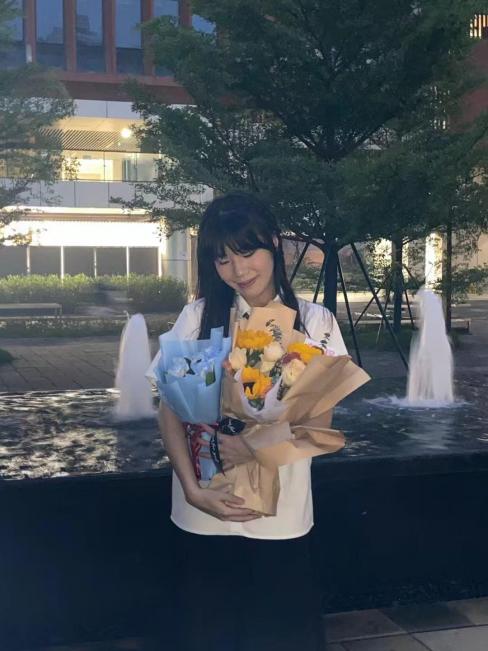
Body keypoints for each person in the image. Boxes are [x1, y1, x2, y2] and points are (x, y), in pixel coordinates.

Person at [157, 192, 347, 651]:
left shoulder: (315, 323)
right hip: (204, 507)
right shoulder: (199, 318)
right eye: (223, 259)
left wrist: (255, 446)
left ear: (274, 244)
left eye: (247, 251)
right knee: (206, 632)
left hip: (279, 512)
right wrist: (192, 489)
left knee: (279, 634)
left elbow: (320, 425)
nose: (238, 270)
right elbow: (169, 410)